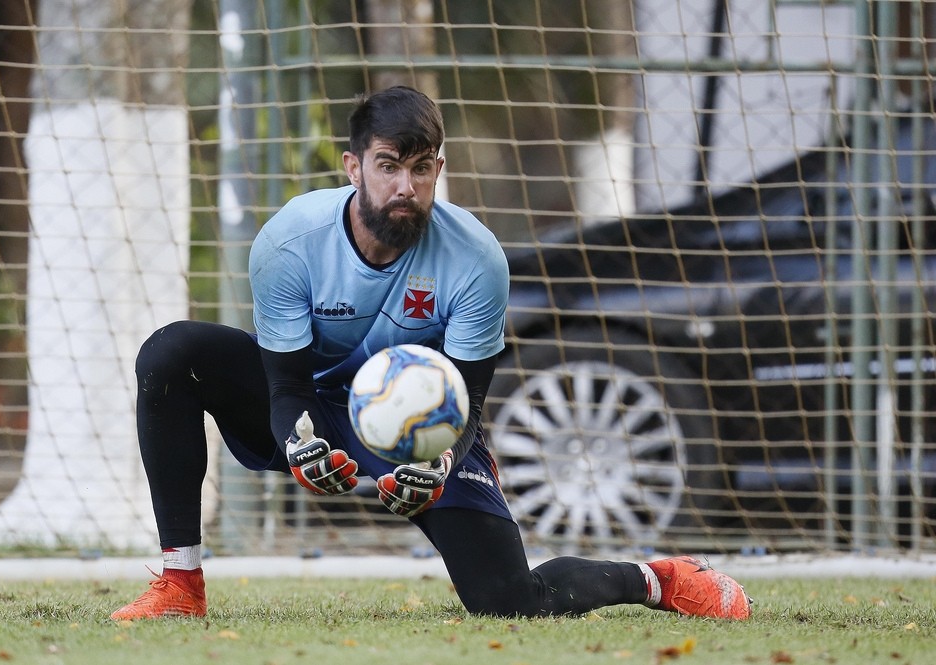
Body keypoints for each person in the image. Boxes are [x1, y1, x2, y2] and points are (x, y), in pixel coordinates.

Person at [110, 86, 752, 621]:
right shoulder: (289, 242)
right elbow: (287, 386)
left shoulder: (477, 260)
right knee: (172, 353)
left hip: (426, 426)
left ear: (438, 171)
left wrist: (440, 460)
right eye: (388, 165)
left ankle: (658, 578)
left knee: (509, 602)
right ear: (353, 166)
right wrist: (299, 442)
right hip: (312, 404)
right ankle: (180, 583)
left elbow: (469, 400)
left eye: (421, 169)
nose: (405, 186)